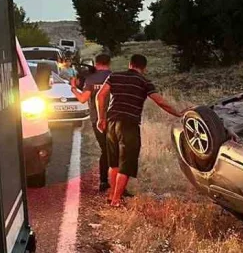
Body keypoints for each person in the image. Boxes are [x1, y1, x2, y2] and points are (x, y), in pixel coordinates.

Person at [95, 54, 183, 206]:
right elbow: (160, 102)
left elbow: (100, 96)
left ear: (130, 64)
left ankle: (111, 196)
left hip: (111, 122)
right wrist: (179, 114)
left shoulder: (115, 76)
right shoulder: (144, 82)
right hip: (128, 124)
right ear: (144, 68)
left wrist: (101, 118)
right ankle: (116, 200)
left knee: (114, 163)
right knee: (126, 163)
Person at [73, 53, 112, 191]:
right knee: (115, 150)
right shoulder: (113, 77)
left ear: (96, 63)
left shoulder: (90, 79)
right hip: (113, 120)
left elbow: (83, 99)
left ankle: (103, 181)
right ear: (109, 63)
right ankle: (116, 183)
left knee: (105, 150)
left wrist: (73, 88)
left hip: (97, 120)